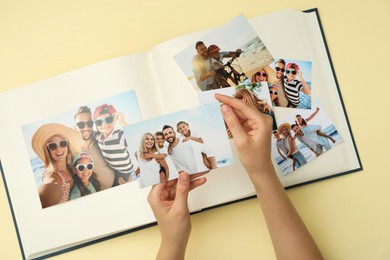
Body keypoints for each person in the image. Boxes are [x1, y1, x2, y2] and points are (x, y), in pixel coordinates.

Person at [148, 94, 323, 260]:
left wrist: (172, 243)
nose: (176, 133)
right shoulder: (170, 149)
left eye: (178, 130)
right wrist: (262, 171)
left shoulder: (191, 138)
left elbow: (207, 150)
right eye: (174, 131)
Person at [31, 123, 82, 208]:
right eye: (52, 146)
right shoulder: (53, 178)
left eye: (63, 143)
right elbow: (48, 188)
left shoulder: (71, 167)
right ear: (48, 150)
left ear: (67, 145)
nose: (59, 149)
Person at [74, 106, 116, 190]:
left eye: (89, 123)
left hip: (118, 183)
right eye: (81, 125)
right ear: (75, 127)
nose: (86, 128)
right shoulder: (74, 150)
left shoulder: (101, 138)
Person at [93, 104, 134, 186]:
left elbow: (134, 137)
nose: (104, 125)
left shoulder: (119, 135)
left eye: (108, 119)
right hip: (113, 169)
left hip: (124, 171)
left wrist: (122, 122)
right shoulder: (98, 136)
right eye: (99, 122)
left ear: (115, 120)